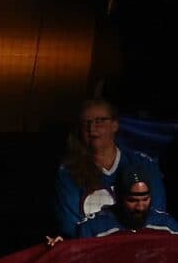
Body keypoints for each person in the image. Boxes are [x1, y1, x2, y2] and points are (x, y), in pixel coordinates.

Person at [51, 98, 165, 239]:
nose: (92, 129)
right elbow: (70, 227)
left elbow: (157, 215)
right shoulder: (69, 171)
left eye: (99, 121)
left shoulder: (144, 164)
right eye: (86, 123)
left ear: (115, 125)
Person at [74, 172, 178, 238]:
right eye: (132, 200)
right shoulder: (94, 228)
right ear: (119, 197)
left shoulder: (167, 227)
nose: (140, 207)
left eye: (145, 199)